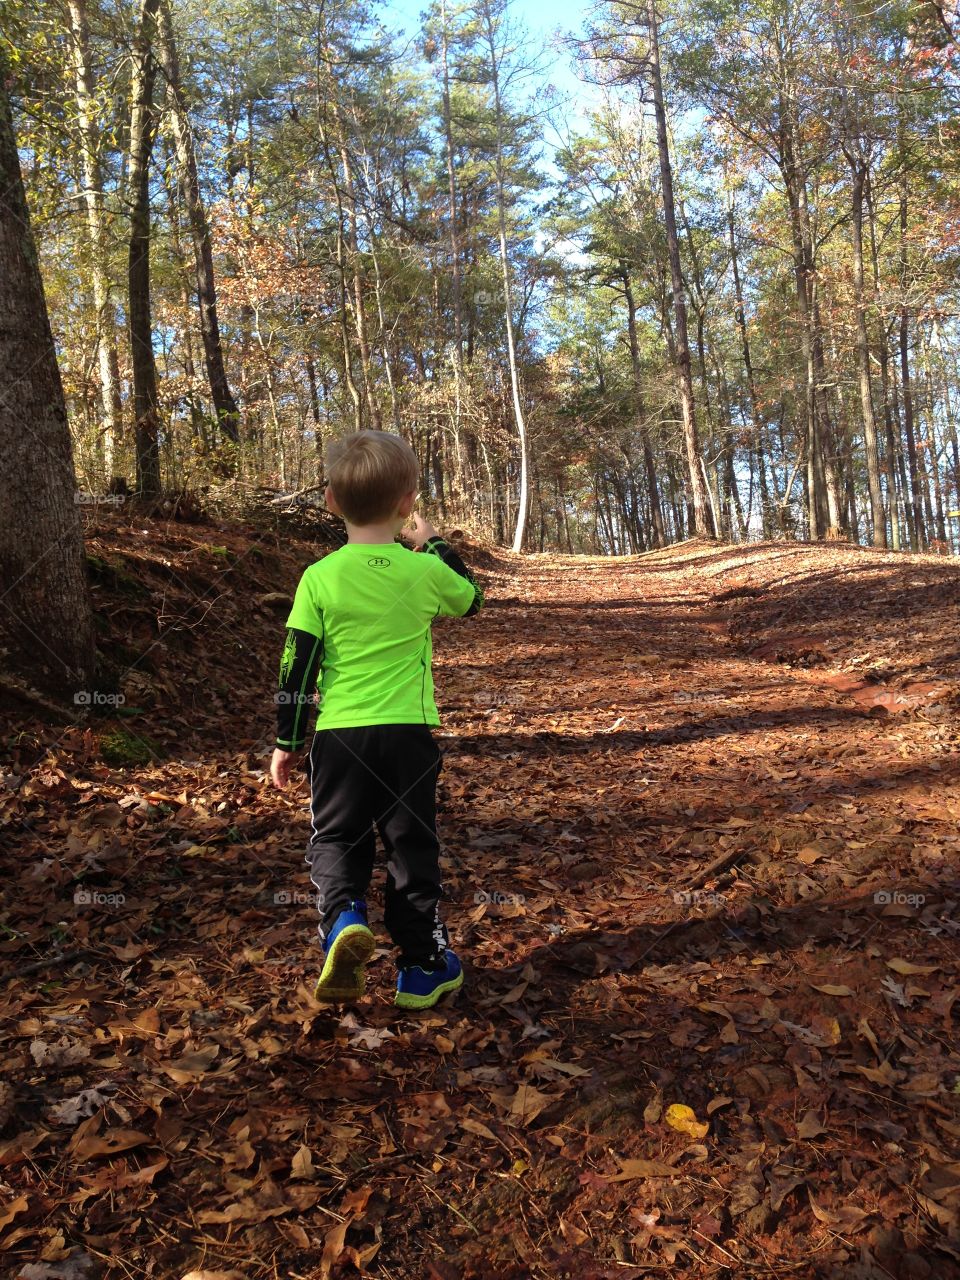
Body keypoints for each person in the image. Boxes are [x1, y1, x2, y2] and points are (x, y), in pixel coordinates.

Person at [270, 429, 484, 1010]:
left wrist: (288, 741)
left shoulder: (320, 577)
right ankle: (420, 966)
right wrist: (435, 543)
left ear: (332, 503)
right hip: (407, 736)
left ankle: (342, 918)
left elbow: (297, 664)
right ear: (407, 502)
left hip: (340, 737)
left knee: (337, 836)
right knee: (411, 845)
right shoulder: (422, 571)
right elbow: (472, 598)